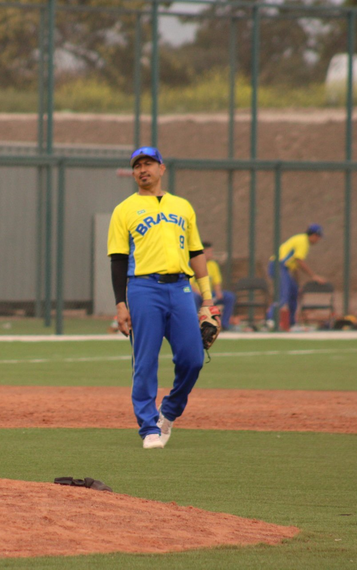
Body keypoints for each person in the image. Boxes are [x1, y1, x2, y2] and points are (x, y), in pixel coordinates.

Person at [107, 146, 215, 450]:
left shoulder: (182, 207)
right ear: (133, 173)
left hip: (181, 289)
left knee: (193, 359)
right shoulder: (124, 210)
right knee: (145, 362)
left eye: (149, 163)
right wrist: (120, 304)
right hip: (143, 289)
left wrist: (207, 299)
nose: (143, 169)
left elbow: (196, 253)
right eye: (137, 165)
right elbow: (117, 259)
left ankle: (168, 412)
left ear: (161, 169)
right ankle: (148, 427)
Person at [266, 224, 326, 329]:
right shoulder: (303, 242)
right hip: (278, 265)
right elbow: (299, 261)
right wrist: (313, 276)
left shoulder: (302, 240)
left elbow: (295, 265)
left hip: (284, 268)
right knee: (283, 295)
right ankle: (270, 320)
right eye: (319, 237)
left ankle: (291, 322)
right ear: (314, 235)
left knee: (294, 293)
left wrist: (297, 285)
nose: (318, 240)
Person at [191, 241, 236, 330]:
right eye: (209, 252)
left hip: (210, 294)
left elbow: (217, 282)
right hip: (198, 294)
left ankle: (224, 325)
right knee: (194, 297)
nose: (211, 254)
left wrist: (218, 292)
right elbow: (190, 283)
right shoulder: (194, 263)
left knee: (229, 297)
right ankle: (196, 325)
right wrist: (200, 293)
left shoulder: (213, 265)